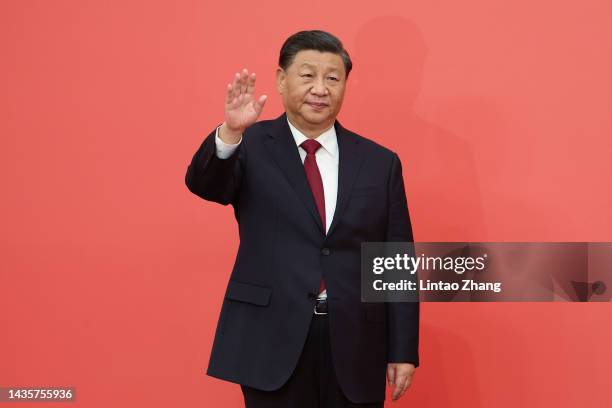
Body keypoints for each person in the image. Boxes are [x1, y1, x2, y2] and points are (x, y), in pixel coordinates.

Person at [185, 30, 419, 407]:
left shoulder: (380, 163)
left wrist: (403, 348)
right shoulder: (250, 145)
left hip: (356, 341)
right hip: (271, 339)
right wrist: (230, 133)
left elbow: (396, 262)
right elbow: (205, 184)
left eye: (332, 77)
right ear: (281, 79)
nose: (320, 88)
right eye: (307, 75)